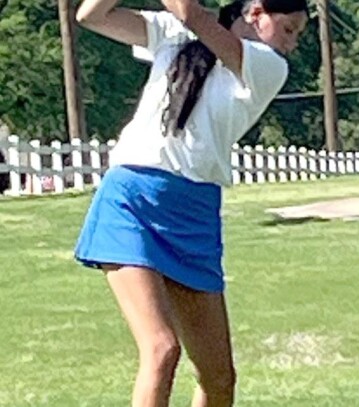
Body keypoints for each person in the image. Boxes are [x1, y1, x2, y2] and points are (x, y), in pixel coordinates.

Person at [73, 0, 308, 406]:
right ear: (255, 13)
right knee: (162, 349)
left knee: (219, 379)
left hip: (194, 213)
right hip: (133, 199)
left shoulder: (269, 66)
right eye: (288, 29)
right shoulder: (173, 34)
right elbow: (90, 15)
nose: (292, 44)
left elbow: (193, 15)